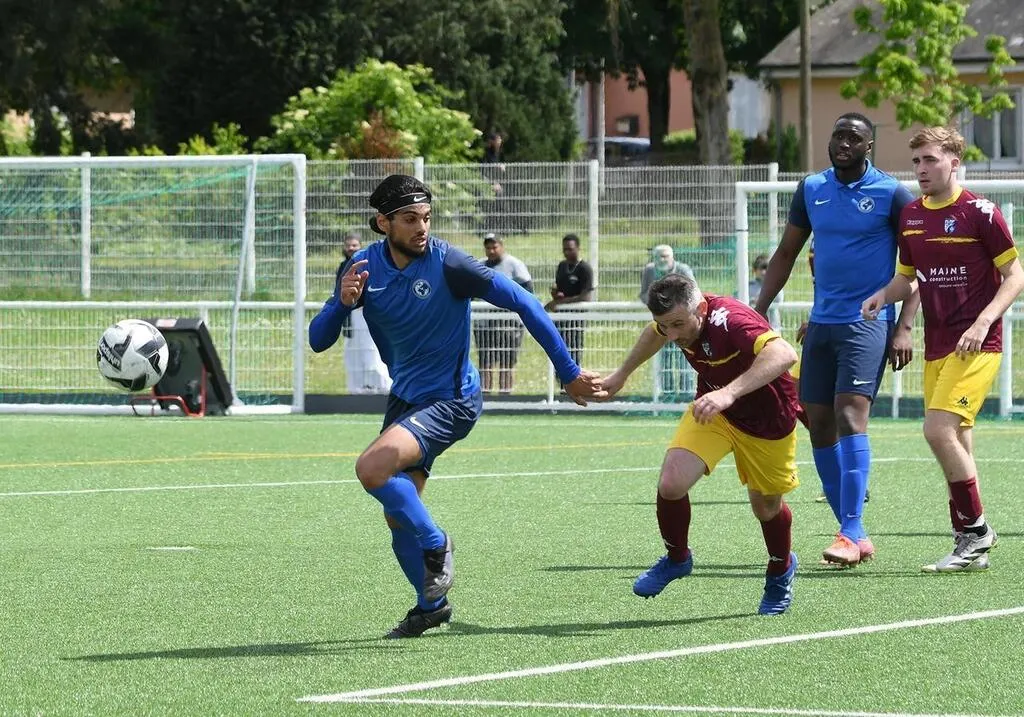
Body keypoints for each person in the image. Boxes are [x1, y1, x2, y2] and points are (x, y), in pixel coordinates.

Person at [308, 175, 604, 638]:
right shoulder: (361, 267)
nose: (421, 228)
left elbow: (525, 302)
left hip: (452, 399)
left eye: (426, 218)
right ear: (383, 223)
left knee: (371, 469)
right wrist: (341, 305)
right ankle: (432, 605)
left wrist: (567, 371)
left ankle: (437, 543)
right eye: (410, 219)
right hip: (406, 401)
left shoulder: (450, 263)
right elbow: (318, 340)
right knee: (396, 516)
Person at [754, 112, 918, 567]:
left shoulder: (891, 193)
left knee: (849, 416)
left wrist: (904, 326)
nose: (844, 143)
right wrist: (759, 307)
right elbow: (786, 253)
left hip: (868, 323)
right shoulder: (811, 189)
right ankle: (853, 530)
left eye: (854, 138)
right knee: (818, 422)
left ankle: (849, 530)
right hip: (821, 324)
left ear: (869, 147)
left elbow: (915, 265)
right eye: (838, 135)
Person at [862, 126, 1024, 572]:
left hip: (977, 344)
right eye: (916, 161)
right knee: (958, 439)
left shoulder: (980, 212)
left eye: (930, 159)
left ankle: (977, 531)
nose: (921, 169)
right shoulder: (912, 216)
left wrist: (984, 321)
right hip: (937, 346)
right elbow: (907, 278)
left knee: (937, 431)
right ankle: (969, 544)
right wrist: (883, 296)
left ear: (954, 162)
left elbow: (1015, 276)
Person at [600, 274, 801, 615]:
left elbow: (784, 353)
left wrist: (729, 392)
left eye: (678, 324)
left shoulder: (731, 320)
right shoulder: (672, 324)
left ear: (702, 310)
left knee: (766, 508)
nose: (672, 335)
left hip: (768, 420)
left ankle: (780, 570)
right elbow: (654, 333)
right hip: (714, 411)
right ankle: (677, 558)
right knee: (671, 483)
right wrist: (621, 375)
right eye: (666, 325)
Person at [473, 233, 534, 393]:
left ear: (502, 246)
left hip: (509, 323)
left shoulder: (515, 265)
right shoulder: (479, 265)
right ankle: (485, 395)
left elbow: (527, 290)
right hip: (484, 322)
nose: (491, 251)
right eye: (488, 248)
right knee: (485, 360)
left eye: (494, 247)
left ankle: (505, 395)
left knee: (507, 361)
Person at [336, 232, 392, 394]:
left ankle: (383, 388)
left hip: (363, 312)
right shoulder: (343, 266)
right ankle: (357, 389)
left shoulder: (366, 264)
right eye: (348, 245)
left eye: (354, 245)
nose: (351, 248)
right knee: (353, 354)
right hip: (349, 315)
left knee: (371, 352)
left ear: (360, 246)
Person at [640, 245, 696, 400]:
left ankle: (686, 393)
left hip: (681, 322)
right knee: (664, 357)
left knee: (684, 355)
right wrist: (657, 304)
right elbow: (643, 294)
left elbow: (694, 293)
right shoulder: (649, 270)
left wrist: (674, 307)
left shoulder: (683, 270)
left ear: (672, 257)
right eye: (659, 256)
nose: (662, 259)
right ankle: (667, 393)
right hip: (662, 322)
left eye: (665, 256)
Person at [546, 234, 594, 368]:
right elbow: (559, 289)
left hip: (576, 317)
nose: (567, 252)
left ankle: (573, 378)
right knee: (558, 349)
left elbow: (585, 297)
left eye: (570, 249)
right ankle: (559, 379)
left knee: (573, 350)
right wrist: (556, 294)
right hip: (560, 316)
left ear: (578, 248)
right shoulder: (562, 266)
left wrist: (561, 303)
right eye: (565, 249)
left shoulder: (585, 268)